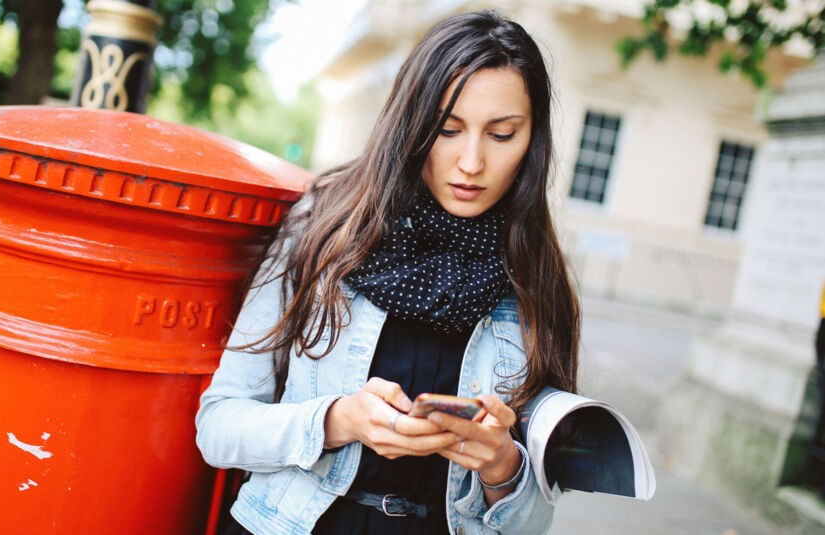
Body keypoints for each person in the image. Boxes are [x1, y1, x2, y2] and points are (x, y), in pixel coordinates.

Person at [196, 10, 579, 535]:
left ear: (531, 142)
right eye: (447, 129)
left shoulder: (537, 279)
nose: (471, 162)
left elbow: (532, 523)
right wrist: (336, 421)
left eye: (502, 134)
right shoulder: (324, 230)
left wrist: (502, 469)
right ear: (413, 124)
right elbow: (218, 427)